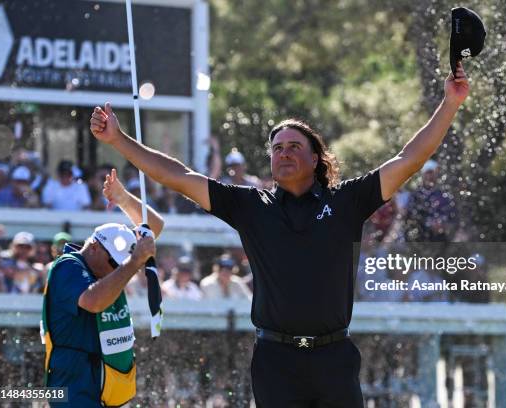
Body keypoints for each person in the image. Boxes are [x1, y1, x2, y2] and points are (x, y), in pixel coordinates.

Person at [90, 62, 470, 407]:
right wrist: (119, 141)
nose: (283, 153)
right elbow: (177, 175)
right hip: (275, 361)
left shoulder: (348, 200)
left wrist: (449, 104)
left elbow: (409, 159)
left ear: (316, 159)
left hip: (334, 357)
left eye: (293, 147)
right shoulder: (250, 206)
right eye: (276, 148)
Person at [40, 170, 164, 407]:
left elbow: (155, 227)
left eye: (120, 264)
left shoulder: (110, 269)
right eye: (113, 263)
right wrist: (134, 261)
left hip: (102, 383)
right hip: (73, 386)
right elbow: (92, 301)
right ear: (94, 247)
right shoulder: (67, 265)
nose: (117, 270)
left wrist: (123, 198)